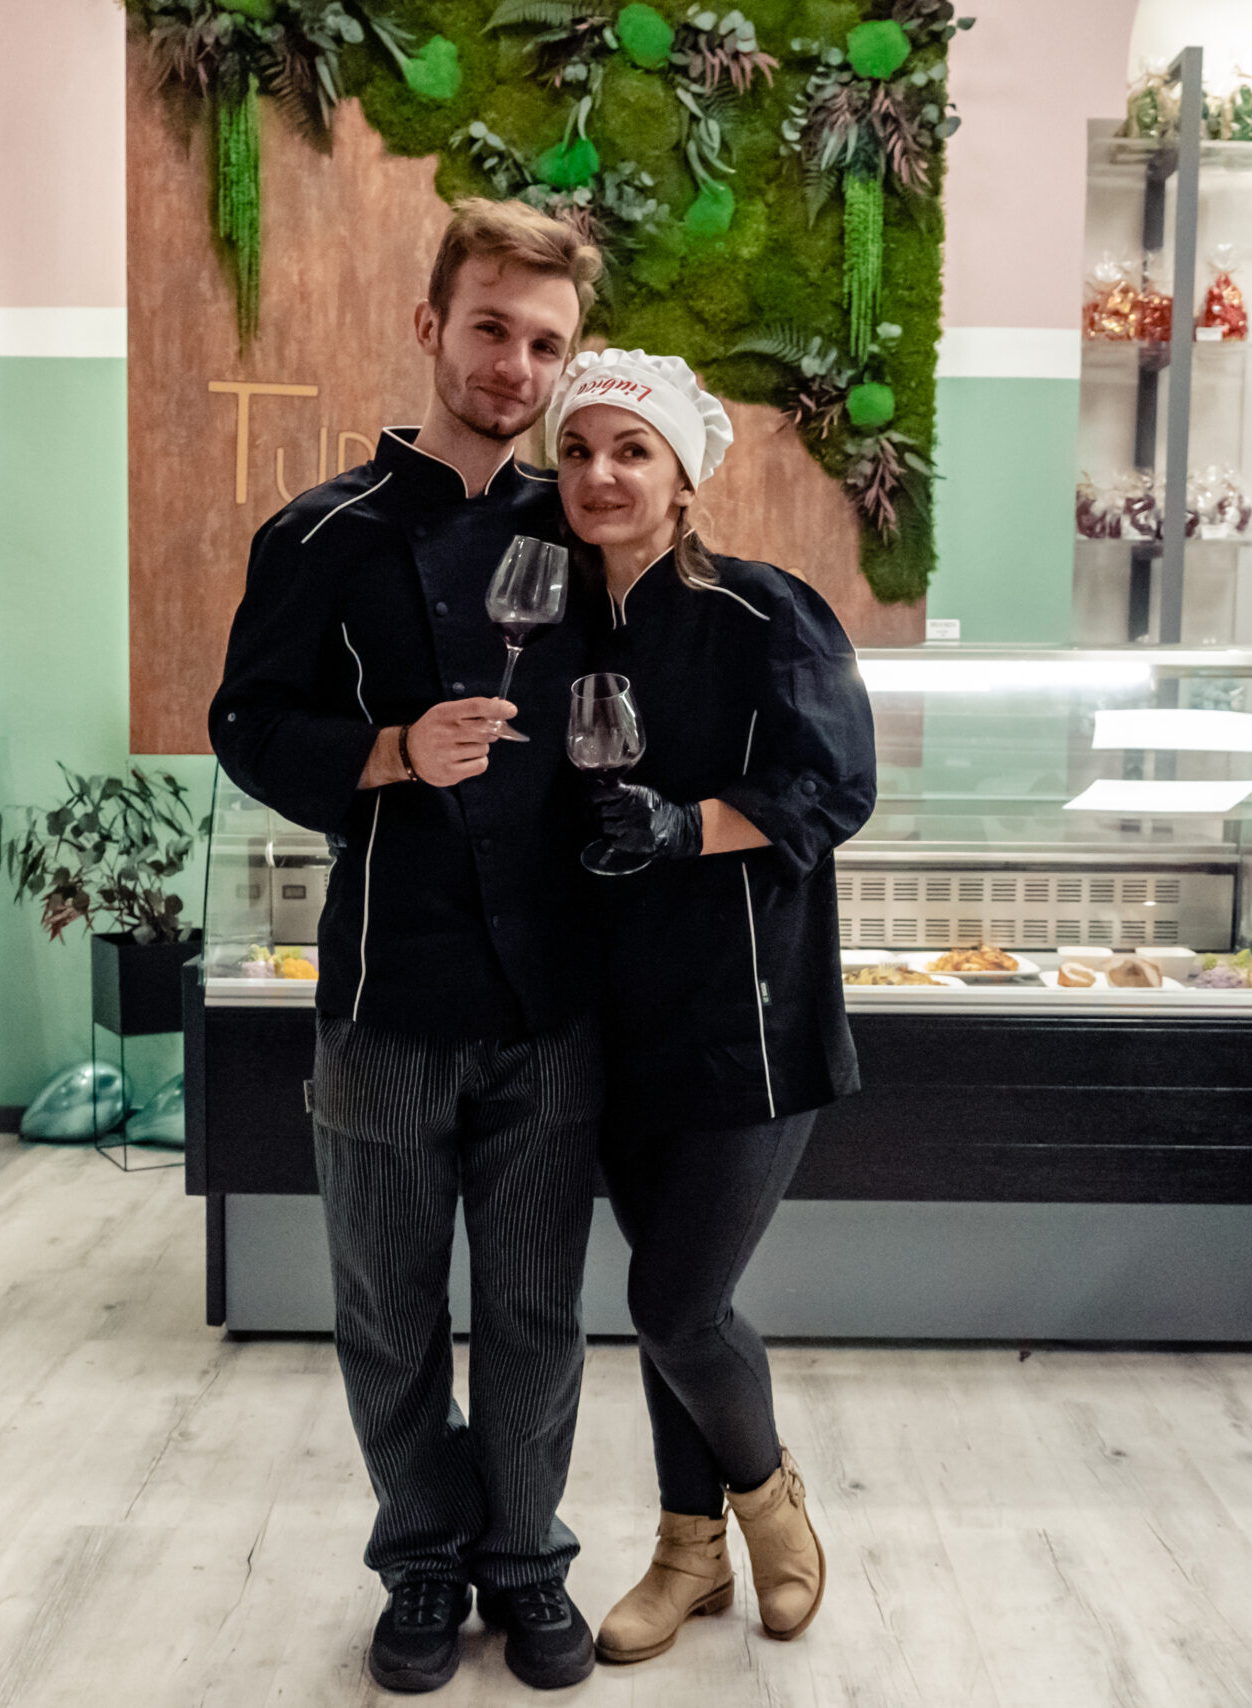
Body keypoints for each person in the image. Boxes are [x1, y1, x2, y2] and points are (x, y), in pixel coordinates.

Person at [208, 201, 606, 1695]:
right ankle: (424, 1561)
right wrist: (388, 750)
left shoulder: (586, 533)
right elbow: (246, 724)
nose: (515, 367)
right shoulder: (319, 536)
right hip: (382, 996)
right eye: (491, 328)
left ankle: (527, 1561)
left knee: (536, 1313)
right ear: (431, 324)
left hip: (549, 1002)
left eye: (546, 345)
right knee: (386, 1314)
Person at [547, 349, 878, 1665]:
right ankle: (688, 1556)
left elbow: (835, 787)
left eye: (631, 450)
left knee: (679, 1304)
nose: (601, 474)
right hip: (612, 1020)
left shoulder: (763, 611)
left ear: (683, 476)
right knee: (661, 1298)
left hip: (748, 1016)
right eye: (577, 451)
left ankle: (769, 1508)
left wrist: (688, 827)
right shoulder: (554, 629)